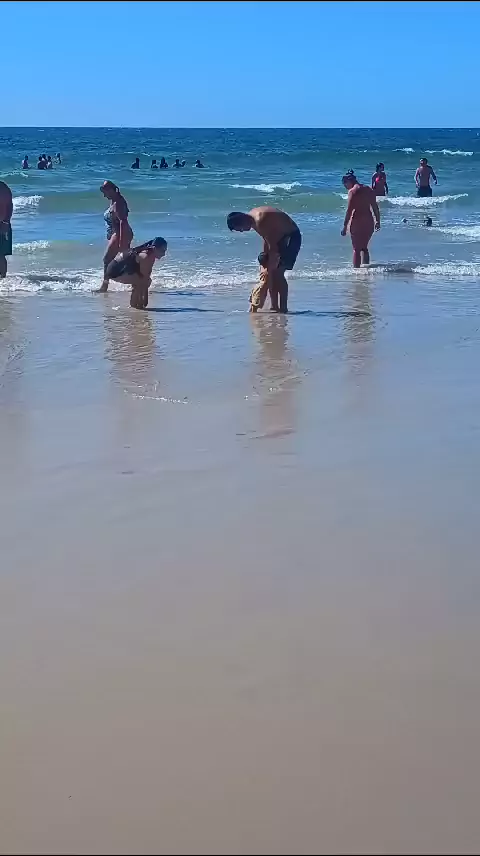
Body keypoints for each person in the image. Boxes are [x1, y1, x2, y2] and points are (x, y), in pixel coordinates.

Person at [227, 207, 302, 313]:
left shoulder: (260, 220)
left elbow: (273, 245)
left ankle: (283, 307)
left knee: (278, 273)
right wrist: (265, 260)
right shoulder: (252, 220)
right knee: (269, 274)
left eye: (240, 229)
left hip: (291, 236)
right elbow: (266, 239)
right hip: (279, 238)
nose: (242, 231)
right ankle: (274, 306)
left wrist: (271, 263)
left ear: (242, 220)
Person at [105, 237, 167, 309]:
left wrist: (144, 301)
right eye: (162, 251)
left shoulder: (150, 254)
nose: (164, 254)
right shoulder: (145, 256)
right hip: (114, 272)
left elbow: (146, 277)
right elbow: (144, 280)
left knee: (145, 281)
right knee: (140, 282)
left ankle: (136, 305)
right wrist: (145, 302)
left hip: (123, 269)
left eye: (165, 251)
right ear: (154, 248)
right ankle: (134, 305)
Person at [98, 181, 133, 292]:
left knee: (107, 260)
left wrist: (121, 241)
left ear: (111, 190)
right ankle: (137, 281)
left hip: (120, 234)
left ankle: (104, 286)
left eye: (105, 193)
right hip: (118, 233)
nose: (104, 196)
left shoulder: (118, 203)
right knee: (126, 260)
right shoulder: (114, 200)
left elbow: (123, 222)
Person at [341, 170, 380, 268]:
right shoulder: (369, 190)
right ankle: (367, 270)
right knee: (364, 248)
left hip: (357, 221)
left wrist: (345, 226)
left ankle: (356, 272)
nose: (345, 187)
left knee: (356, 249)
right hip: (369, 221)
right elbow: (375, 207)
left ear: (349, 181)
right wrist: (377, 221)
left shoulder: (352, 192)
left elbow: (349, 211)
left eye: (345, 184)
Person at [0, 181, 13, 278]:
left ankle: (3, 278)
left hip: (2, 223)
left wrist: (6, 222)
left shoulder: (2, 187)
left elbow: (9, 206)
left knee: (0, 254)